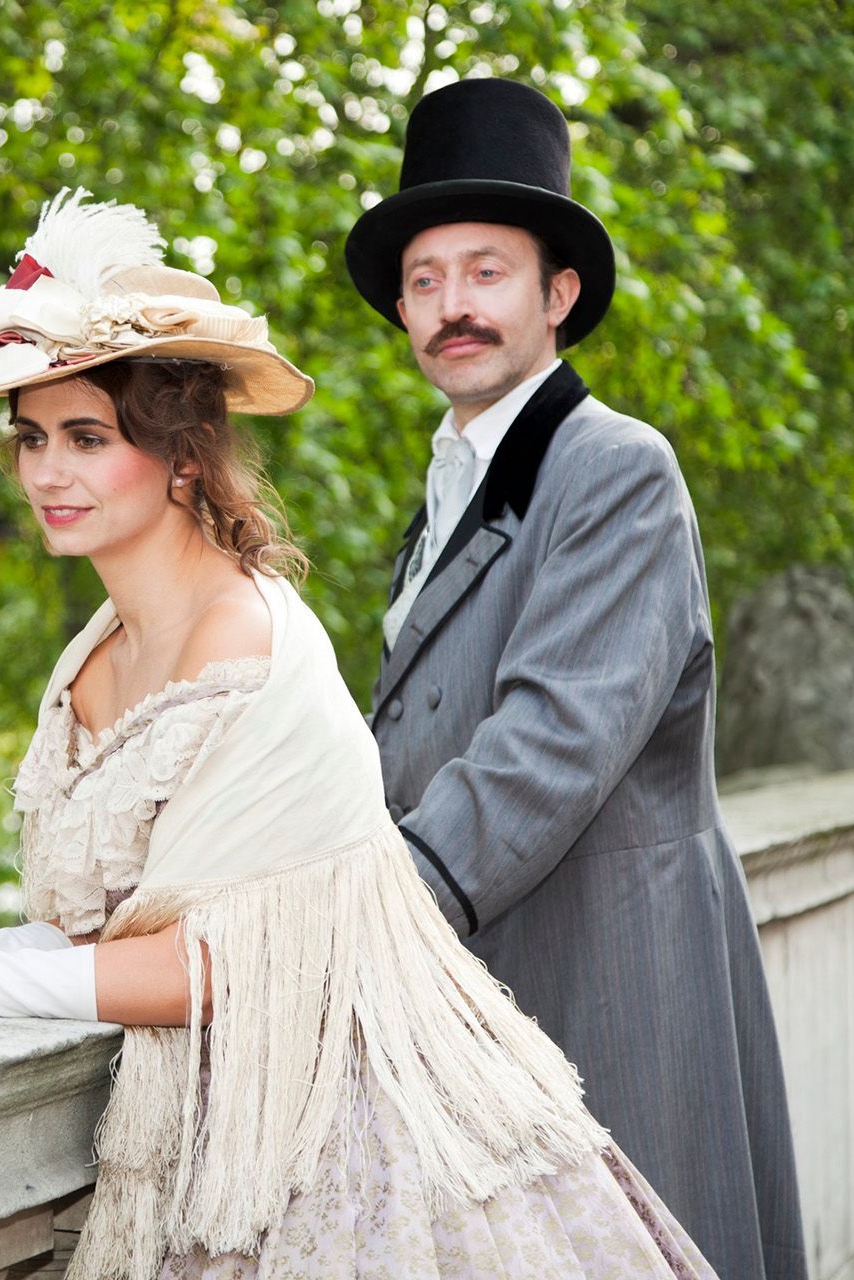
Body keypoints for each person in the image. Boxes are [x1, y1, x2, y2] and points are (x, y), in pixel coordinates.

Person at [0, 191, 714, 1279]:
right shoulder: (94, 655)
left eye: (89, 438)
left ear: (182, 454)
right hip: (207, 1130)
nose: (49, 472)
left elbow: (220, 963)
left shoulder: (241, 637)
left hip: (344, 1149)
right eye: (32, 438)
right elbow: (119, 920)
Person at [343, 78, 806, 1280]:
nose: (454, 307)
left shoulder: (617, 470)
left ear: (558, 296)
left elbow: (547, 744)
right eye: (427, 278)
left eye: (486, 271)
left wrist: (351, 924)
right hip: (490, 1003)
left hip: (613, 990)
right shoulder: (443, 496)